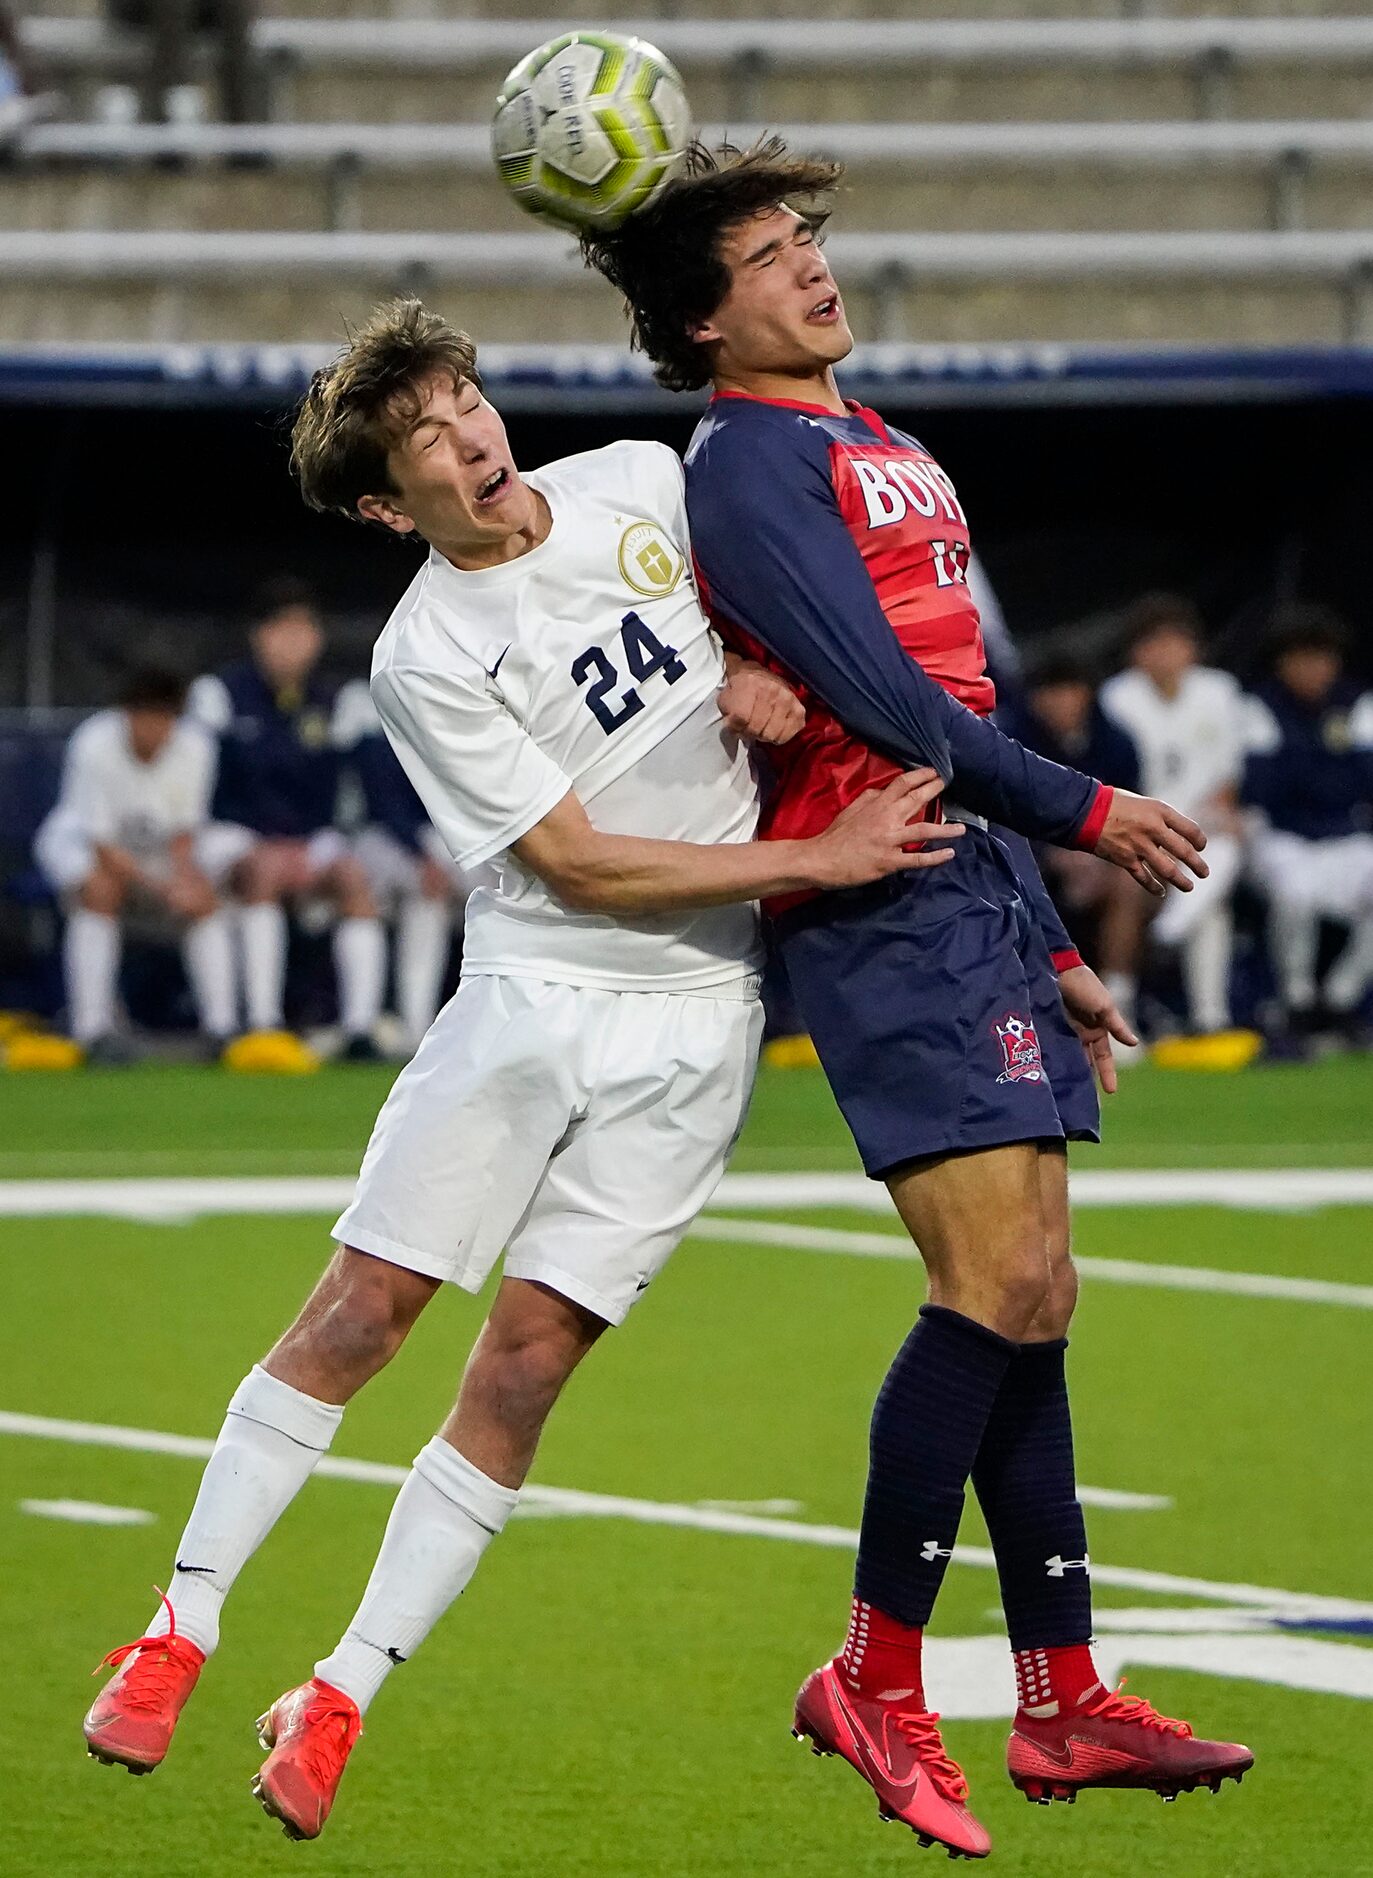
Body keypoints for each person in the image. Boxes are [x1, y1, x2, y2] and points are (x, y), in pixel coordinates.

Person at [81, 301, 1197, 1846]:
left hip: (700, 1019)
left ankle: (339, 1685)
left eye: (465, 402)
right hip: (538, 994)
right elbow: (579, 861)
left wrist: (752, 672)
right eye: (424, 441)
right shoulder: (426, 651)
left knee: (527, 1365)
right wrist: (817, 846)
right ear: (380, 505)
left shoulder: (636, 481)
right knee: (360, 1311)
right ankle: (181, 1624)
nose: (470, 439)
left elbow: (794, 630)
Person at [583, 139, 1249, 1858]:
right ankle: (874, 1672)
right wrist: (1084, 808)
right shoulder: (735, 462)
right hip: (875, 888)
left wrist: (1037, 932)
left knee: (1036, 1289)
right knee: (997, 1279)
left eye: (805, 235)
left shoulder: (876, 442)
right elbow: (879, 699)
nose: (809, 264)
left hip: (965, 895)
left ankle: (1061, 1694)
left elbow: (939, 680)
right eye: (765, 252)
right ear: (698, 315)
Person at [190, 579, 387, 1065]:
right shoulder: (218, 694)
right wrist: (270, 846)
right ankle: (262, 1024)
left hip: (311, 838)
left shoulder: (340, 698)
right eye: (281, 630)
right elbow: (208, 789)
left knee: (353, 879)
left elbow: (355, 789)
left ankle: (359, 1029)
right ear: (259, 636)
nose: (292, 643)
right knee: (261, 871)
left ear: (317, 639)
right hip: (230, 833)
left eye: (302, 631)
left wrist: (317, 845)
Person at [33, 667, 236, 1061]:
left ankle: (221, 1029)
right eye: (145, 717)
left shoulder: (196, 746)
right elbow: (101, 846)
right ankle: (92, 1030)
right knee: (100, 891)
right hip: (81, 844)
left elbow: (184, 832)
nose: (154, 730)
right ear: (126, 714)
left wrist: (185, 882)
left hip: (155, 850)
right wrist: (162, 891)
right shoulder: (94, 742)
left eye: (163, 719)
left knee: (201, 899)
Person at [1100, 595, 1247, 1038]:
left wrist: (1210, 817)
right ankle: (1117, 1010)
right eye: (1154, 643)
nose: (1165, 653)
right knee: (1136, 889)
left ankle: (1209, 1018)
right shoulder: (1117, 697)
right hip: (1141, 828)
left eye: (1175, 642)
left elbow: (1228, 781)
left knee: (1226, 855)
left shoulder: (1219, 691)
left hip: (1203, 829)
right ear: (1136, 651)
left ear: (1193, 648)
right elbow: (1117, 780)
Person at [1242, 604, 1373, 1047]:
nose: (1314, 669)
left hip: (1346, 836)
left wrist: (1306, 767)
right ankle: (1297, 999)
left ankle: (1339, 1000)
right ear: (1283, 662)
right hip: (1284, 837)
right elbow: (1263, 788)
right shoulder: (1260, 705)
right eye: (1302, 658)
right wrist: (1326, 768)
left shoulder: (1358, 703)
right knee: (1293, 892)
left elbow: (1361, 782)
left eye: (1322, 658)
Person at [1005, 658, 1149, 1038]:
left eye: (1070, 691)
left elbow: (1129, 814)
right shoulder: (1008, 740)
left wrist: (1096, 857)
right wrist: (1053, 856)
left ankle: (1119, 1000)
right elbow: (1000, 815)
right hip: (1024, 869)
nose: (1061, 703)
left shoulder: (1116, 742)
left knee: (1133, 883)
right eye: (1051, 693)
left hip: (1101, 865)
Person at [333, 674, 471, 1053]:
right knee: (419, 889)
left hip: (455, 833)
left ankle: (423, 1027)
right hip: (387, 836)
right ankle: (365, 1026)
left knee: (440, 897)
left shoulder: (466, 687)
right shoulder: (367, 696)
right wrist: (420, 853)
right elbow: (382, 795)